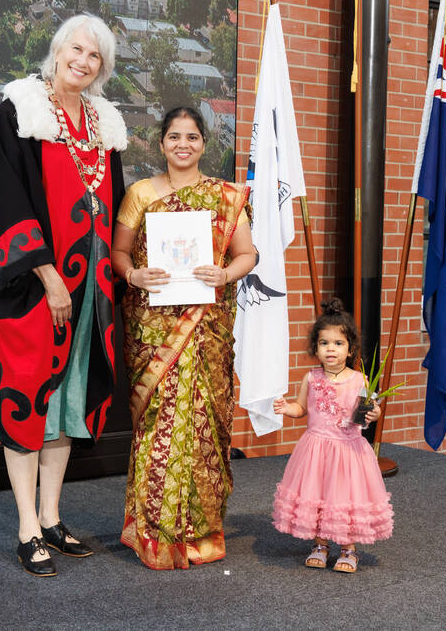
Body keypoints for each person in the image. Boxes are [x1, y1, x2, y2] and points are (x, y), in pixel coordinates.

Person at [0, 14, 126, 577]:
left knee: (68, 398)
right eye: (77, 50)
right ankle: (26, 528)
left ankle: (52, 516)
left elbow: (111, 209)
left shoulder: (105, 124)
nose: (83, 62)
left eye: (95, 57)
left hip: (92, 289)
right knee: (27, 396)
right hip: (37, 286)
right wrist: (47, 276)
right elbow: (6, 199)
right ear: (57, 50)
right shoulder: (21, 110)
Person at [111, 107, 257, 569]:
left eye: (192, 137)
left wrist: (223, 273)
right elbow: (117, 251)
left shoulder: (226, 196)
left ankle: (201, 533)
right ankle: (154, 534)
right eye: (174, 136)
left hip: (205, 326)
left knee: (202, 426)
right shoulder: (139, 193)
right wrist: (133, 274)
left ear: (203, 144)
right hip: (153, 328)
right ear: (161, 144)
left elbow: (248, 255)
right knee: (158, 425)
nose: (183, 145)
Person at [271, 298, 394, 572]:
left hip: (348, 451)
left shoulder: (360, 380)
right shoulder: (311, 378)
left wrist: (374, 413)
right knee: (318, 495)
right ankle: (320, 544)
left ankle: (348, 549)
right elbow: (301, 408)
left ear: (350, 349)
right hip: (315, 450)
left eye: (338, 344)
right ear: (315, 347)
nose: (331, 349)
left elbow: (368, 413)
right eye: (325, 343)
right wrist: (285, 407)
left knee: (345, 498)